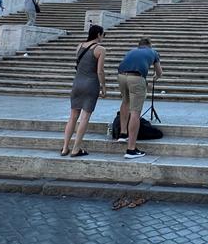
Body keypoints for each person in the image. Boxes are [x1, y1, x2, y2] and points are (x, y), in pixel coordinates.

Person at [62, 24, 106, 157]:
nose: (103, 37)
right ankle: (76, 148)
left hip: (77, 83)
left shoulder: (79, 46)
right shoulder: (100, 49)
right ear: (98, 34)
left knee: (72, 116)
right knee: (85, 117)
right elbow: (100, 71)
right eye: (103, 34)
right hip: (90, 84)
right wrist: (104, 86)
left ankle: (65, 148)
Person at [116, 38, 163, 159]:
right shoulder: (153, 52)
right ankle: (131, 149)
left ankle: (122, 133)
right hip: (136, 77)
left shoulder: (132, 51)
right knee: (135, 112)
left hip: (121, 76)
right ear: (149, 45)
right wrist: (155, 77)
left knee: (125, 102)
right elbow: (159, 72)